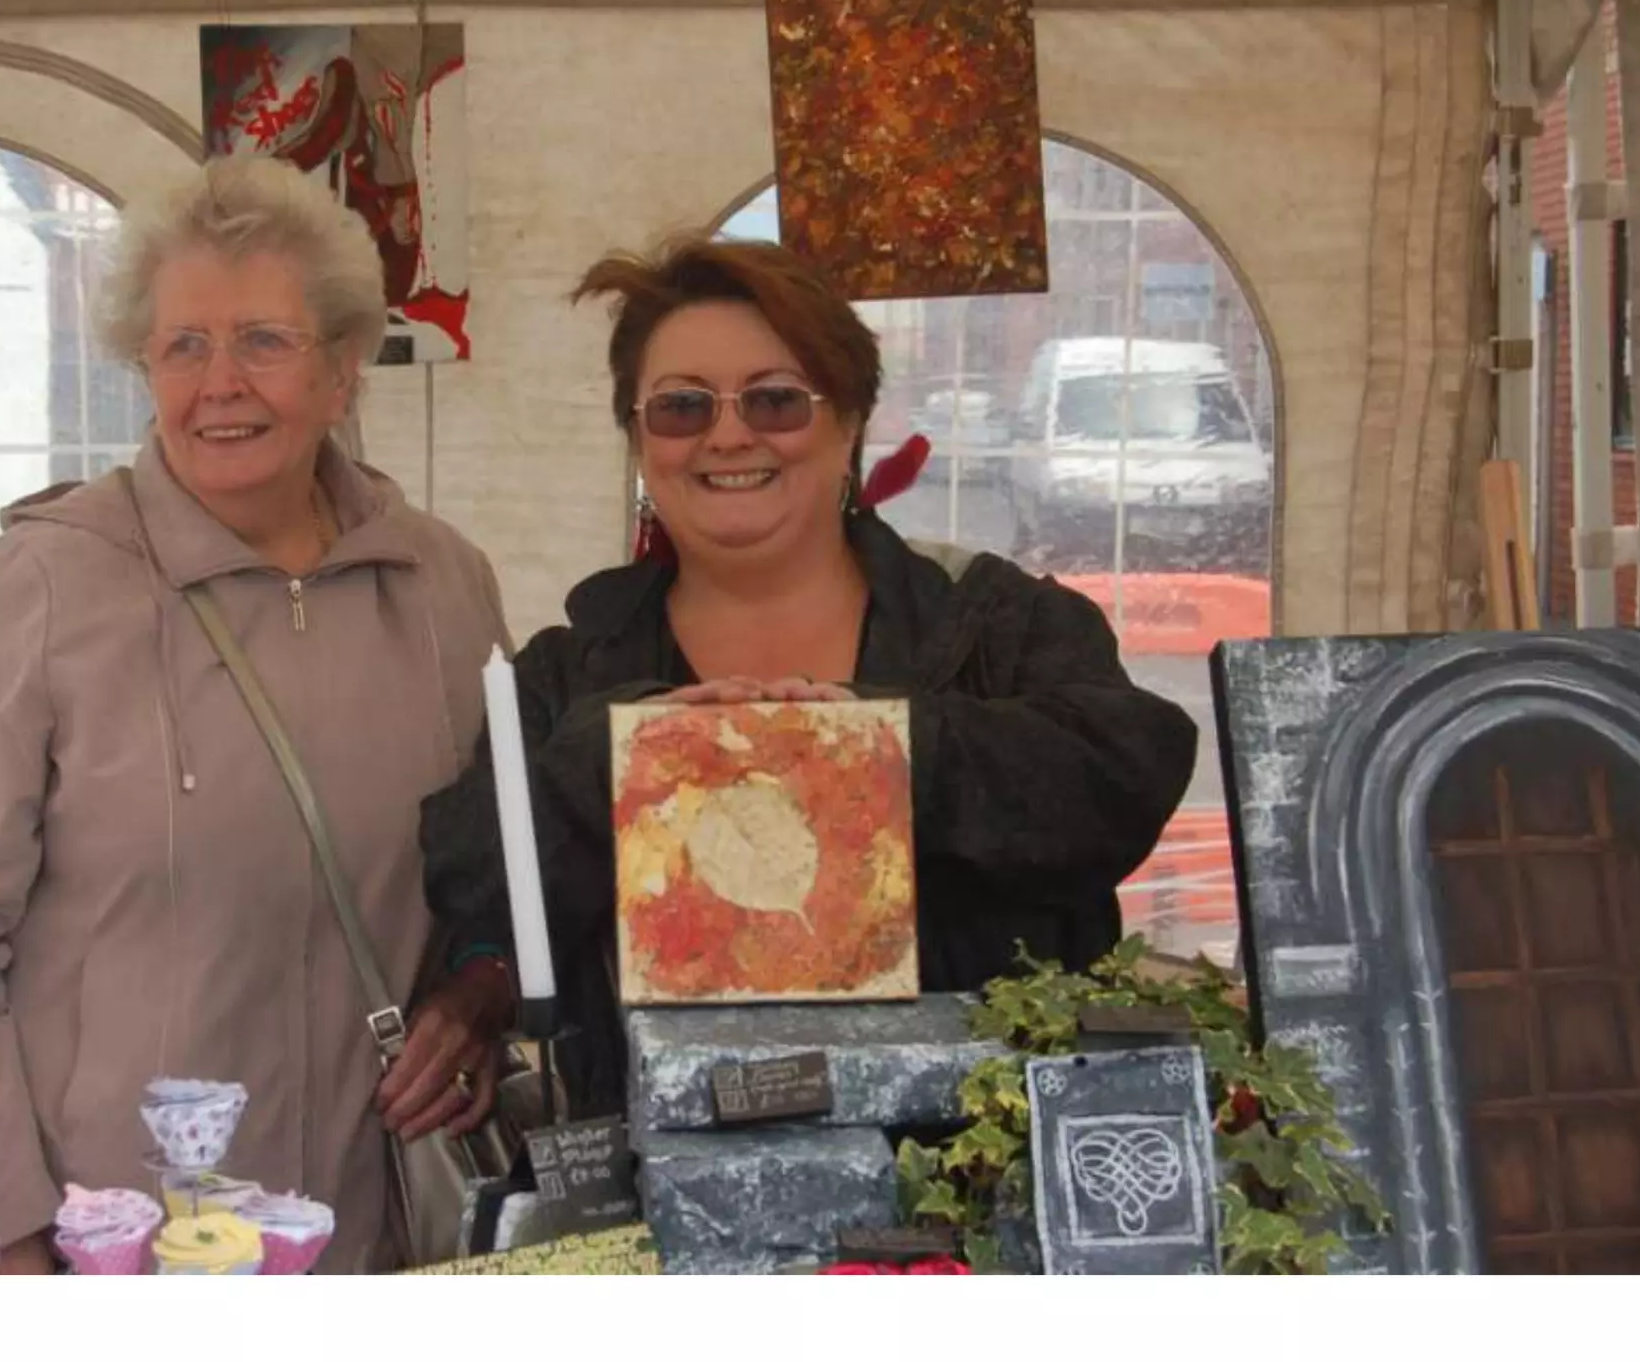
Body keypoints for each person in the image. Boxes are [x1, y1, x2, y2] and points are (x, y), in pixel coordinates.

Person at [0, 156, 513, 1274]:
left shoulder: (442, 584)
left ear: (342, 371)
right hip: (117, 1246)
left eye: (263, 340)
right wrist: (11, 1236)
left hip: (373, 1235)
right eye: (182, 346)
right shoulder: (48, 585)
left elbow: (499, 876)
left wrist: (480, 999)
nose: (221, 383)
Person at [402, 236, 1200, 1124]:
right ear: (639, 438)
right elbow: (475, 886)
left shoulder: (992, 627)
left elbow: (1132, 769)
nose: (728, 434)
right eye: (681, 407)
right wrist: (618, 761)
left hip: (979, 1170)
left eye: (775, 399)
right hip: (665, 1172)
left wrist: (883, 748)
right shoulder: (568, 673)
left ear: (850, 420)